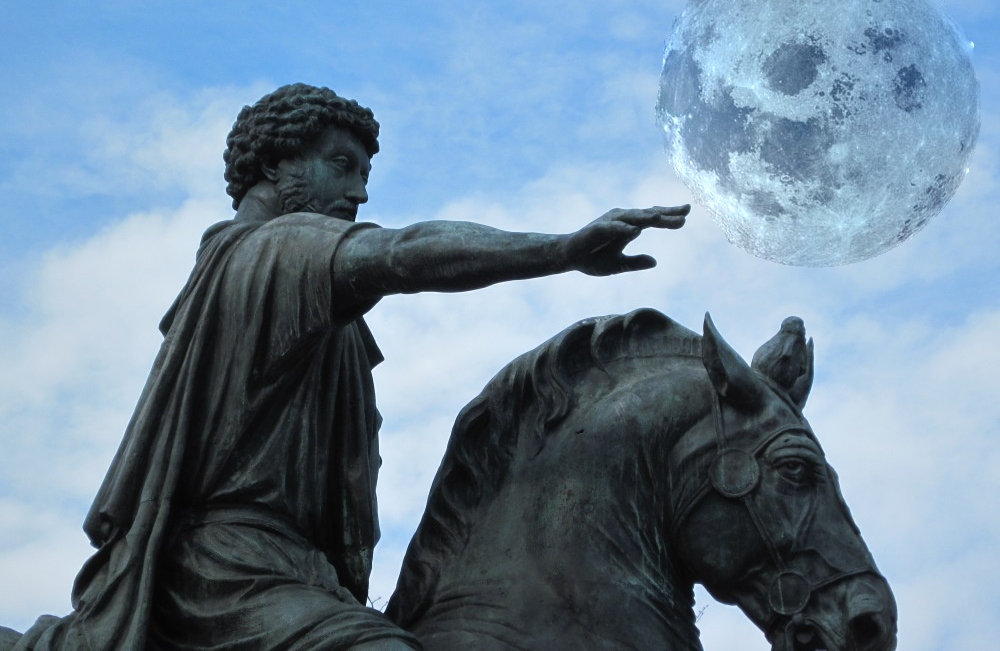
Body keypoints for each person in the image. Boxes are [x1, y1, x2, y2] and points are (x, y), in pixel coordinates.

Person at [6, 84, 688, 651]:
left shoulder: (295, 291)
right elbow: (403, 253)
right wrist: (561, 250)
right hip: (227, 572)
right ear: (276, 164)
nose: (358, 193)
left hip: (296, 574)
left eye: (364, 176)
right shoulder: (271, 252)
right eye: (341, 165)